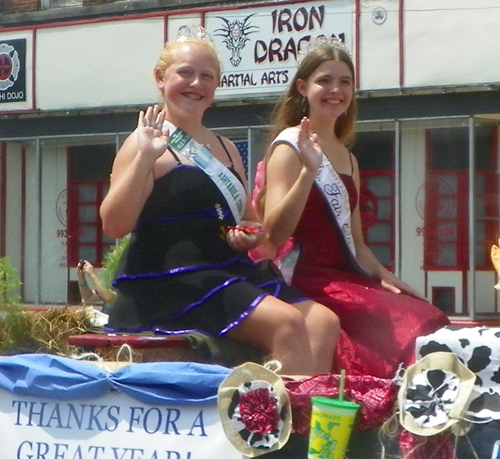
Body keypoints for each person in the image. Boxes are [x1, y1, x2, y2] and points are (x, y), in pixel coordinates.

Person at [99, 26, 339, 376]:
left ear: (215, 87)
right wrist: (144, 160)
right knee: (286, 324)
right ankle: (275, 424)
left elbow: (249, 219)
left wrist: (249, 234)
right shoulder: (143, 142)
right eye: (185, 73)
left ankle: (306, 422)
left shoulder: (226, 148)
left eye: (206, 76)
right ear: (161, 78)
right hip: (171, 280)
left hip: (226, 269)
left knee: (323, 322)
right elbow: (114, 225)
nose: (196, 83)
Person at [253, 36, 449, 379]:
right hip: (305, 276)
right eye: (324, 80)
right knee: (405, 329)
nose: (335, 90)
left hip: (344, 273)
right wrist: (308, 173)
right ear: (303, 87)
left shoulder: (348, 157)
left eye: (345, 82)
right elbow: (274, 233)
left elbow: (357, 244)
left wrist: (388, 277)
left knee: (426, 314)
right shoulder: (288, 147)